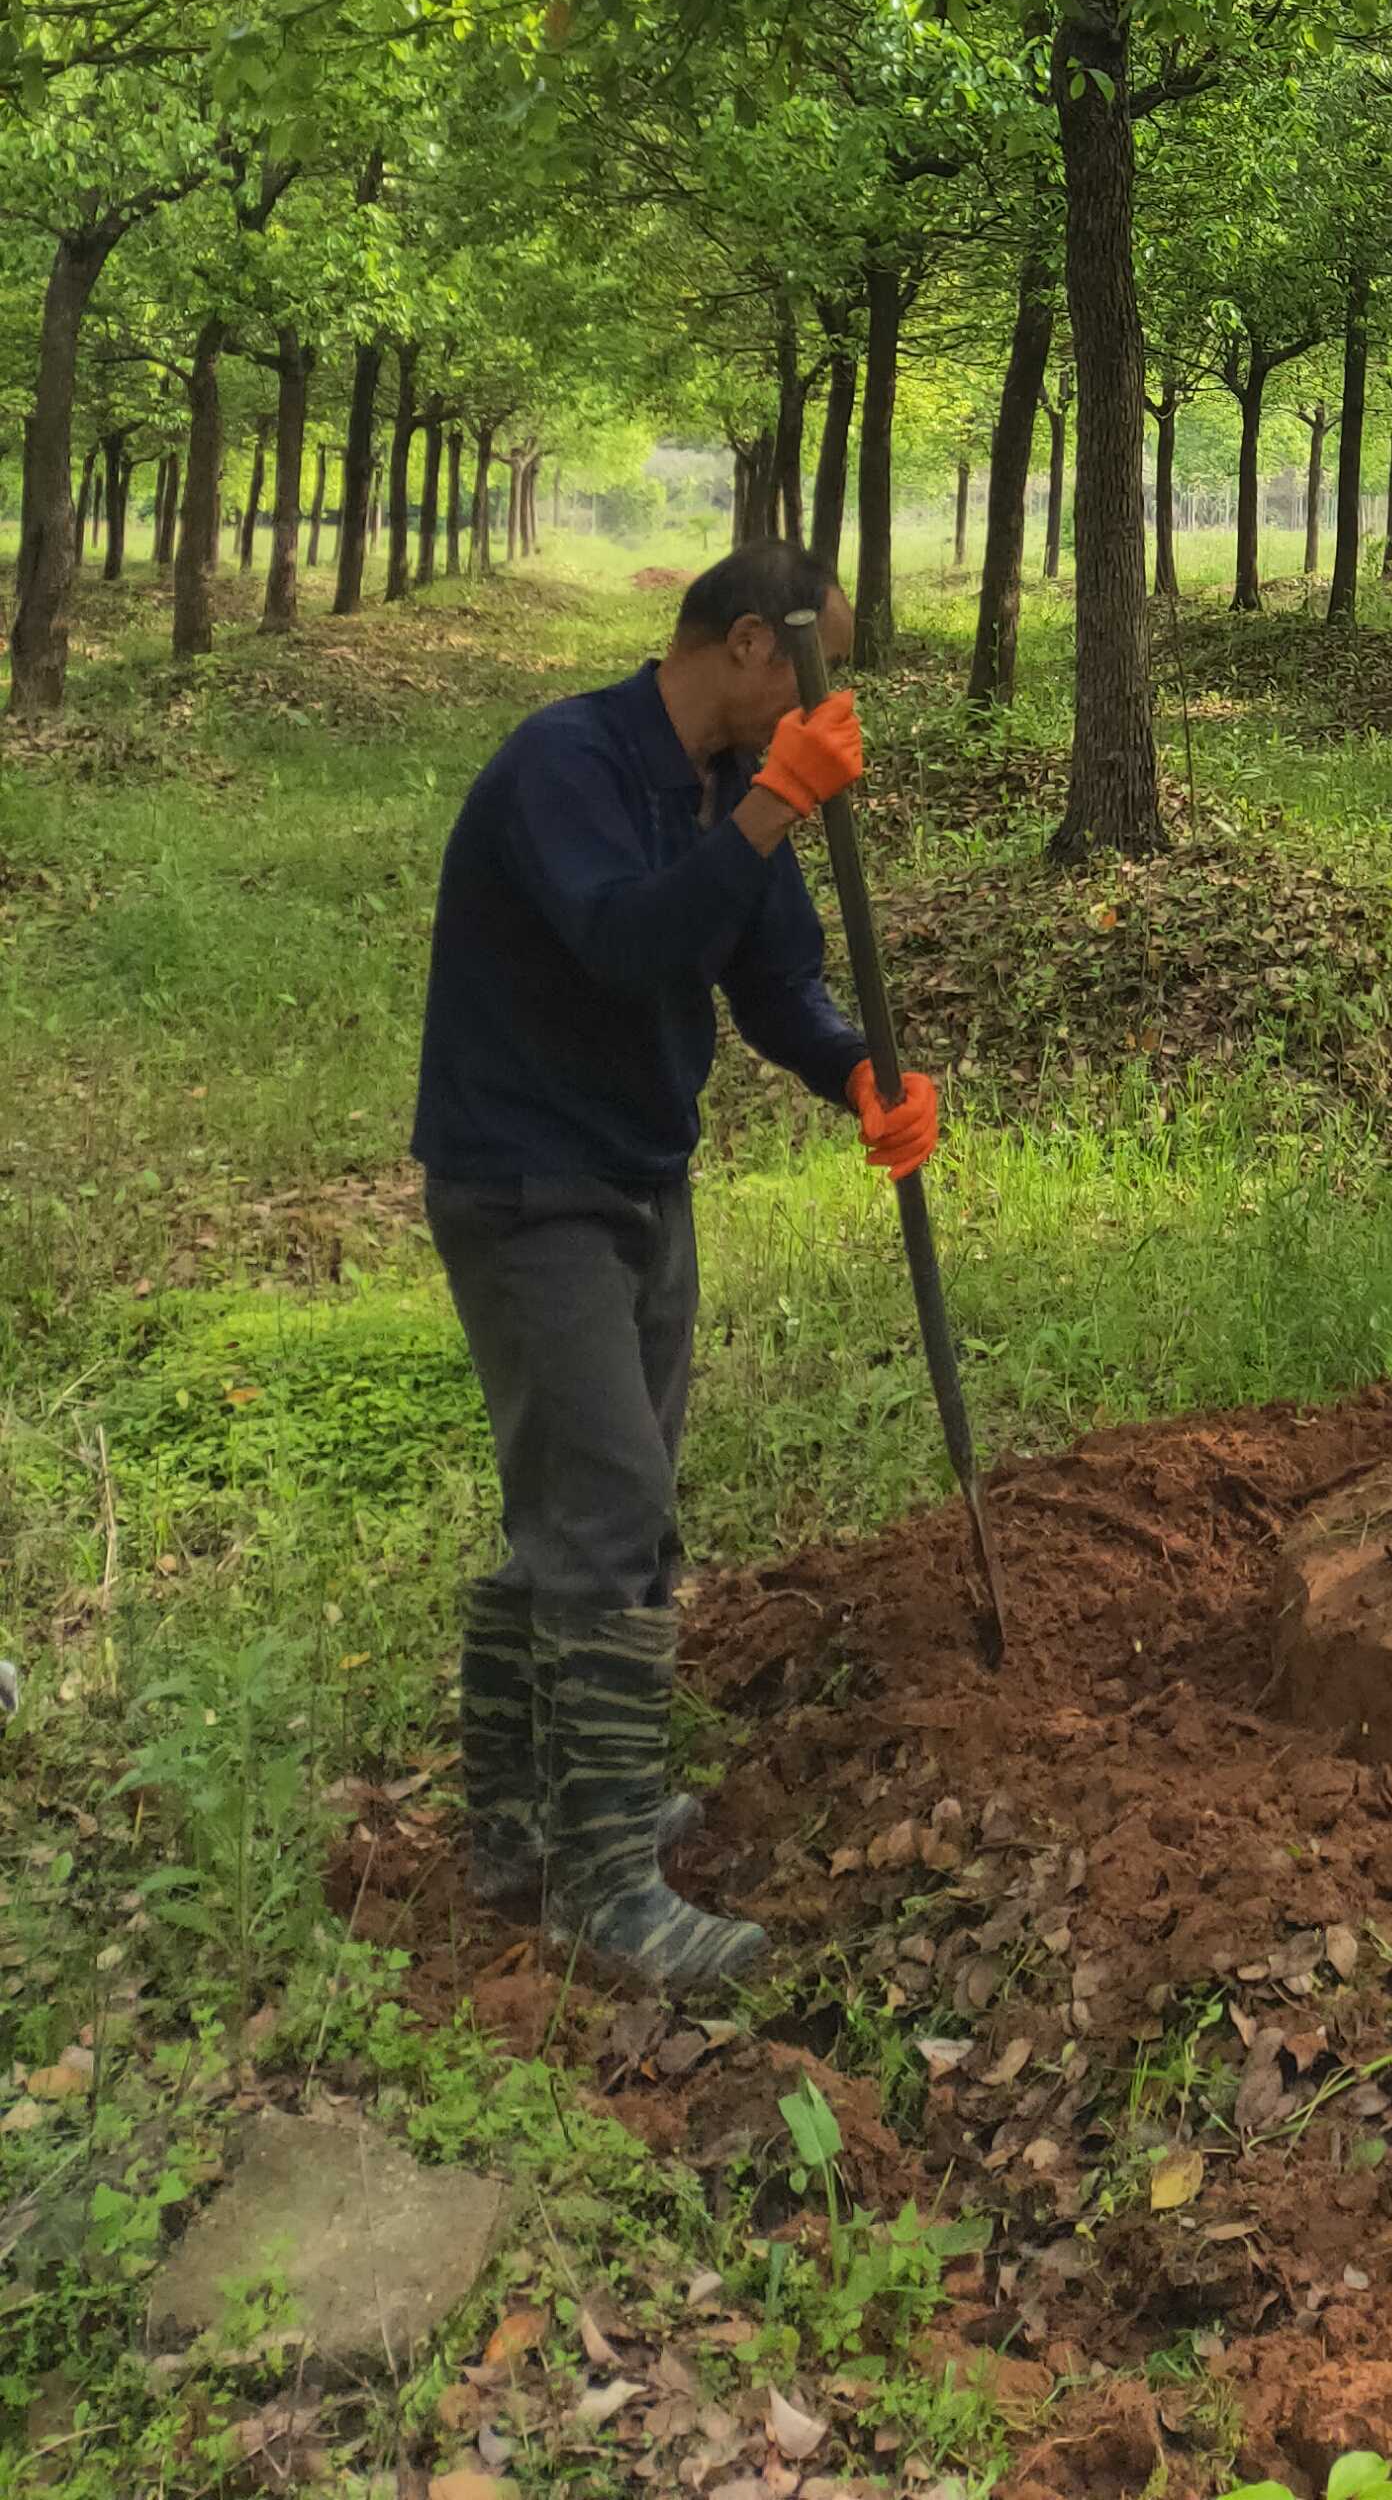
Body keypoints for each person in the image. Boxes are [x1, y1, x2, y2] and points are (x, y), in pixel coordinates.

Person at [413, 540, 942, 1993]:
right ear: (754, 651)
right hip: (528, 1184)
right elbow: (627, 943)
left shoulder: (720, 794)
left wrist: (858, 1076)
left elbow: (771, 978)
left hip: (641, 1176)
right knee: (610, 1506)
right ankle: (605, 1890)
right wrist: (780, 804)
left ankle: (527, 1826)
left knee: (601, 1509)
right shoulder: (564, 766)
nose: (827, 711)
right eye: (819, 670)